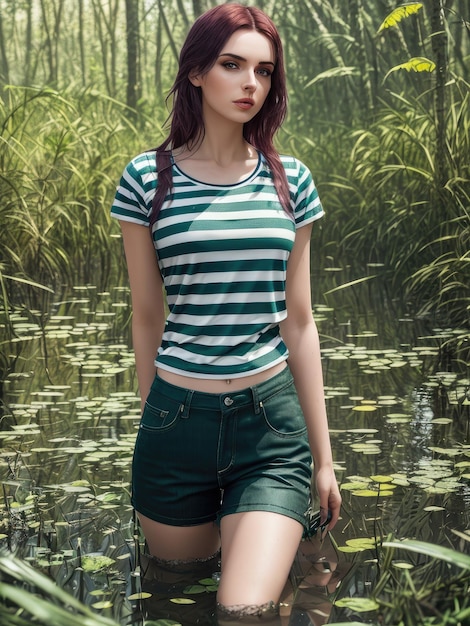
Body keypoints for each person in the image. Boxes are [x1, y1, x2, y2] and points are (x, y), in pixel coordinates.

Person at [111, 3, 341, 619]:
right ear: (195, 73)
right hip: (173, 422)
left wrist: (324, 457)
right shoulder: (145, 178)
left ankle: (299, 580)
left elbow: (299, 322)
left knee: (242, 611)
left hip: (269, 426)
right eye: (232, 65)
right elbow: (146, 317)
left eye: (264, 72)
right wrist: (152, 423)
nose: (250, 84)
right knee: (172, 592)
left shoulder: (288, 179)